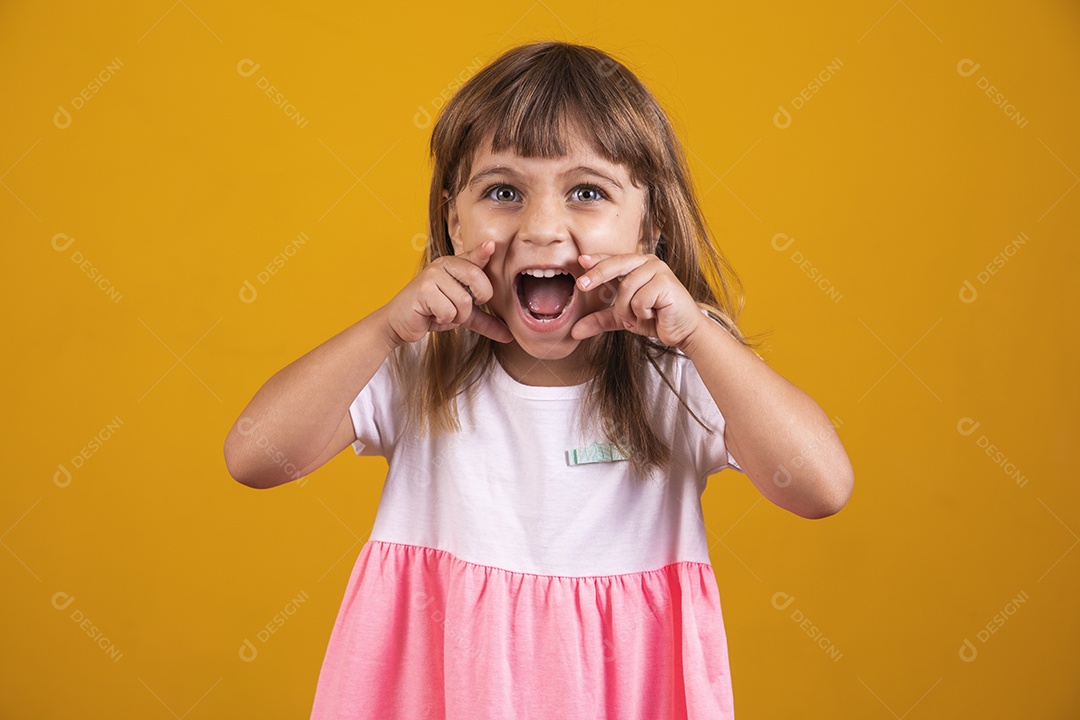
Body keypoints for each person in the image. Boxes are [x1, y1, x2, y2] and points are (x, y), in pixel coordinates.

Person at [224, 40, 853, 720]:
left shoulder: (678, 373)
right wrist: (383, 329)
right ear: (450, 216)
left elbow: (821, 486)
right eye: (502, 191)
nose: (543, 228)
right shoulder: (419, 361)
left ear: (654, 223)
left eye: (588, 192)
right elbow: (255, 457)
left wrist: (701, 336)